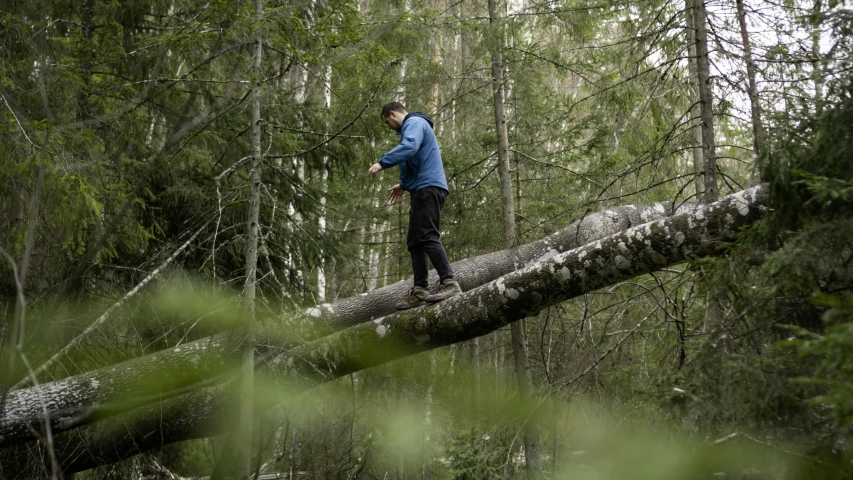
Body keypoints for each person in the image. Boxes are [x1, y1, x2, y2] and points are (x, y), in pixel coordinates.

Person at [368, 102, 462, 310]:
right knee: (415, 242)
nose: (390, 127)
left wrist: (382, 162)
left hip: (428, 188)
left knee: (427, 236)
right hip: (422, 188)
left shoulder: (415, 123)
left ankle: (450, 283)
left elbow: (409, 147)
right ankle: (420, 291)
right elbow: (419, 160)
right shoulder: (416, 125)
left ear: (393, 114)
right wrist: (404, 185)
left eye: (388, 122)